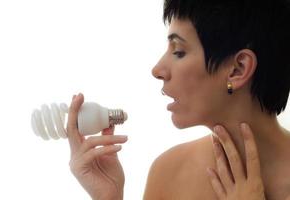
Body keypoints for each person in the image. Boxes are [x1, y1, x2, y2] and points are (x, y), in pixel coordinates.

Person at [66, 0, 290, 199]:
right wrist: (109, 196)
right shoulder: (169, 172)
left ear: (237, 69)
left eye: (179, 51)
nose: (157, 70)